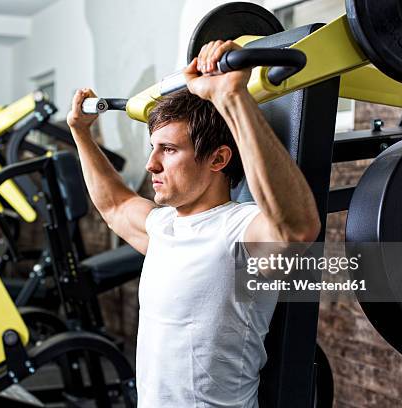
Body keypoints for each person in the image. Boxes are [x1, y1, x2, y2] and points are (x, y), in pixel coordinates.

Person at [67, 40, 320, 407]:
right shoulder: (164, 226)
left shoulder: (240, 230)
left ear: (217, 159)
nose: (152, 164)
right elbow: (116, 205)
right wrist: (80, 132)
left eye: (168, 150)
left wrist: (231, 96)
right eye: (153, 148)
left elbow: (296, 230)